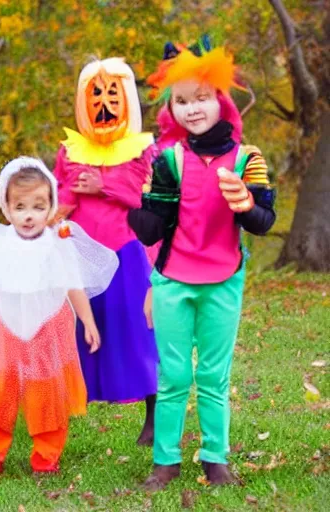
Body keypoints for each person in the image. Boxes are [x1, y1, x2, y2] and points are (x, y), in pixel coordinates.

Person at [128, 38, 276, 489]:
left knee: (213, 375)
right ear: (171, 109)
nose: (193, 108)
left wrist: (246, 203)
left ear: (221, 101)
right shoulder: (168, 161)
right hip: (173, 281)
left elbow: (264, 222)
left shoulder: (248, 158)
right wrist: (140, 208)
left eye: (202, 98)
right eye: (182, 101)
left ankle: (216, 460)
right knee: (173, 375)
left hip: (224, 280)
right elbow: (152, 226)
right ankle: (165, 463)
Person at [0, 157, 118, 475]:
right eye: (20, 206)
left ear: (51, 207)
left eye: (38, 207)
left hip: (47, 327)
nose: (28, 215)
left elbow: (73, 286)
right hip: (2, 327)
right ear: (6, 208)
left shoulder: (58, 246)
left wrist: (88, 321)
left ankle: (46, 456)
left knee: (47, 395)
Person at [54, 58, 158, 445]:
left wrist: (103, 186)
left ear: (127, 97)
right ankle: (63, 409)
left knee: (136, 330)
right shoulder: (71, 150)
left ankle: (154, 414)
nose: (103, 102)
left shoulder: (141, 150)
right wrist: (53, 212)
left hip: (127, 250)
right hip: (79, 251)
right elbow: (64, 190)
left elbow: (146, 198)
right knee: (82, 329)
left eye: (112, 93)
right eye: (95, 93)